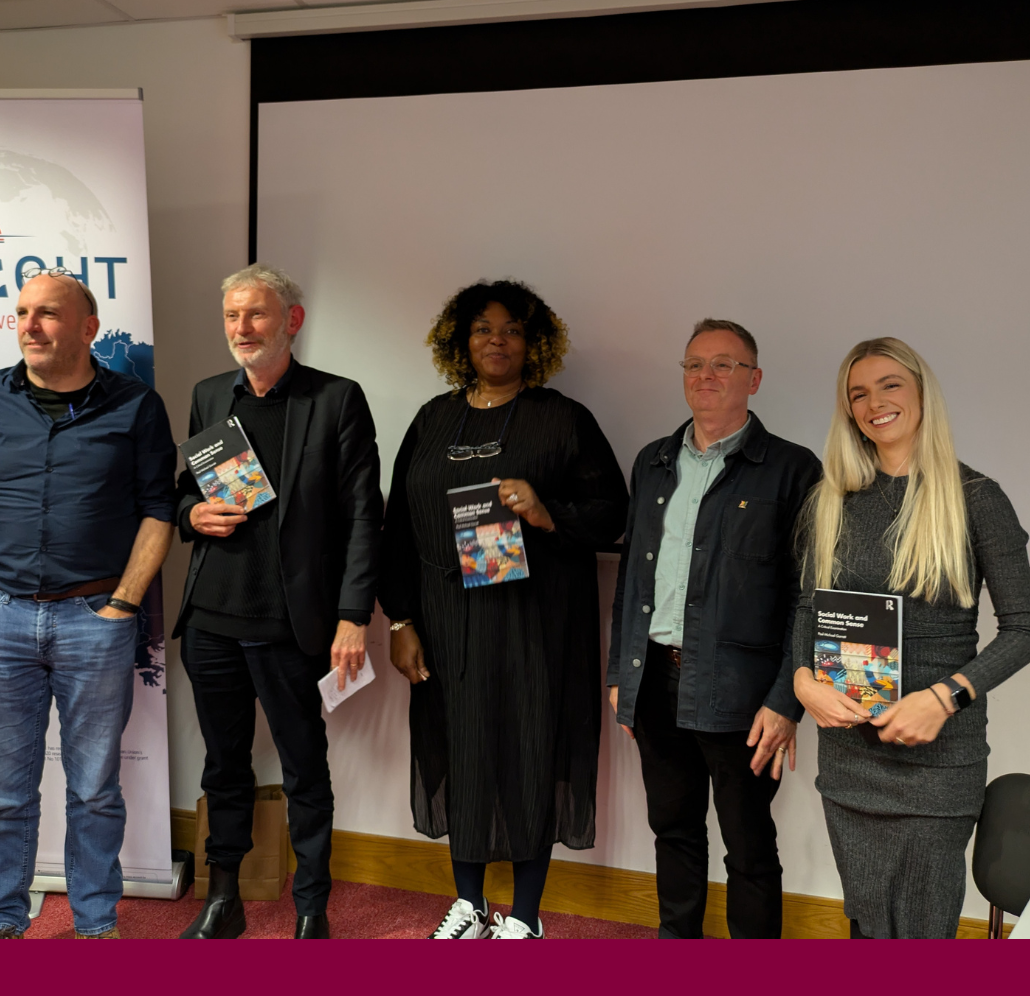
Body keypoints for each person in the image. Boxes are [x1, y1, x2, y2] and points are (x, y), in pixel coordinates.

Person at [380, 280, 628, 939]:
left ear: (534, 342)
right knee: (459, 751)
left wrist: (548, 514)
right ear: (461, 340)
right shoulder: (432, 420)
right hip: (444, 622)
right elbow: (396, 528)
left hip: (535, 623)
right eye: (485, 328)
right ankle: (468, 904)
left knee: (528, 752)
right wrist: (400, 620)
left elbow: (613, 514)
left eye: (513, 329)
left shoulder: (563, 419)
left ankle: (524, 916)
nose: (498, 339)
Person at [0, 269, 176, 939]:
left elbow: (159, 512)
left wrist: (124, 604)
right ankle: (2, 926)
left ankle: (96, 927)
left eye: (47, 313)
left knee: (94, 792)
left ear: (87, 328)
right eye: (22, 311)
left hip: (94, 622)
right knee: (3, 800)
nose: (29, 324)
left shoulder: (136, 405)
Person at [792, 337, 1030, 939]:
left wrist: (945, 697)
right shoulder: (829, 501)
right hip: (850, 754)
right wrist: (801, 679)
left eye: (890, 385)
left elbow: (1025, 627)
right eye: (858, 393)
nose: (875, 402)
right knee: (868, 925)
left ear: (921, 393)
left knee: (923, 932)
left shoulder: (976, 498)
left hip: (938, 757)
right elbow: (806, 610)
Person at [174, 264, 382, 941]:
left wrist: (354, 616)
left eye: (256, 315)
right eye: (232, 316)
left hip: (291, 624)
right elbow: (185, 490)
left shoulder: (335, 400)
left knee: (304, 768)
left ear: (291, 321)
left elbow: (361, 518)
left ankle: (311, 908)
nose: (241, 329)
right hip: (212, 621)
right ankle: (224, 898)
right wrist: (190, 516)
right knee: (223, 764)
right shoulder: (210, 396)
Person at [609, 318, 821, 939]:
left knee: (749, 849)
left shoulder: (792, 470)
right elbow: (631, 581)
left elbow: (805, 599)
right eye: (695, 364)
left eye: (724, 365)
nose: (707, 376)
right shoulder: (652, 461)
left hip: (743, 697)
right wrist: (623, 672)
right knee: (672, 831)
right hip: (655, 685)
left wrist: (786, 701)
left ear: (754, 379)